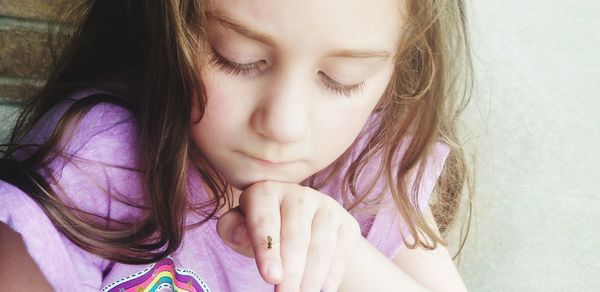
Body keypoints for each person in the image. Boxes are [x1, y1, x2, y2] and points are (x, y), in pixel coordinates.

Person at [0, 0, 473, 291]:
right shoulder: (94, 162)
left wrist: (340, 254)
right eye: (237, 58)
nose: (283, 126)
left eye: (342, 80)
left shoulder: (372, 162)